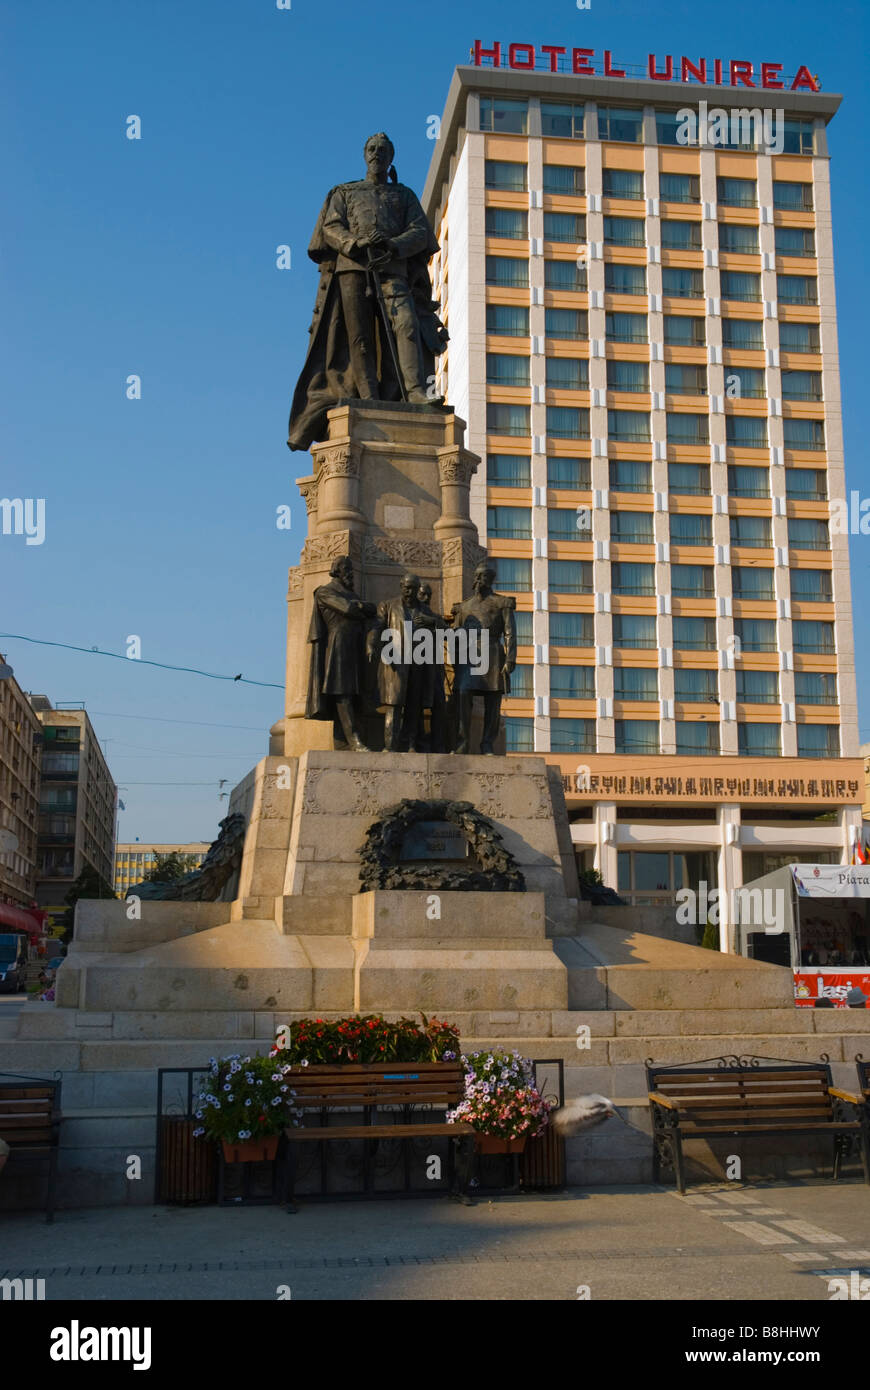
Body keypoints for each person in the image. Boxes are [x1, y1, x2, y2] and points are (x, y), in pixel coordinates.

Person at [288, 133, 448, 450]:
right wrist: (354, 243)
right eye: (372, 149)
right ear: (364, 155)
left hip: (392, 267)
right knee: (357, 336)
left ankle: (415, 389)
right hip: (352, 268)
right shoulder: (344, 192)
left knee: (405, 324)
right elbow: (330, 227)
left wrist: (392, 244)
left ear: (391, 158)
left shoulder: (403, 195)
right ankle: (367, 395)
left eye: (383, 150)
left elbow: (420, 232)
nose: (377, 153)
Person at [305, 555, 376, 751]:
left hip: (355, 645)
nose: (351, 573)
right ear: (337, 570)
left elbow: (372, 610)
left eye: (352, 570)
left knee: (353, 693)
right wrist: (362, 607)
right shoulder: (325, 592)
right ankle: (354, 740)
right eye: (347, 569)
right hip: (338, 646)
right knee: (342, 691)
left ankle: (341, 740)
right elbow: (348, 609)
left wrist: (362, 607)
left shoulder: (351, 593)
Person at [451, 563, 517, 755]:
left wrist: (510, 660)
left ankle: (487, 743)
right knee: (463, 694)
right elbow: (456, 635)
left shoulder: (501, 602)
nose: (479, 580)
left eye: (484, 577)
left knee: (493, 700)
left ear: (490, 580)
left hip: (493, 653)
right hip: (469, 654)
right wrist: (456, 661)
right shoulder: (463, 607)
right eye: (477, 576)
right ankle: (462, 742)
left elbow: (510, 633)